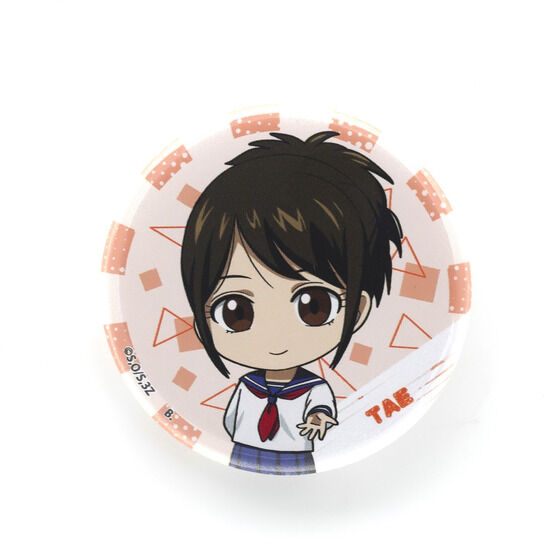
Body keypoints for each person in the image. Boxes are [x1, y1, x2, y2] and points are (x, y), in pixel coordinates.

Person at [180, 130, 402, 474]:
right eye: (237, 312)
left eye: (314, 307)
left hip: (296, 458)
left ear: (356, 312)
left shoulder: (313, 389)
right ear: (201, 322)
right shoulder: (247, 387)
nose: (275, 336)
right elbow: (230, 423)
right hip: (239, 453)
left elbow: (321, 412)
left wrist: (318, 419)